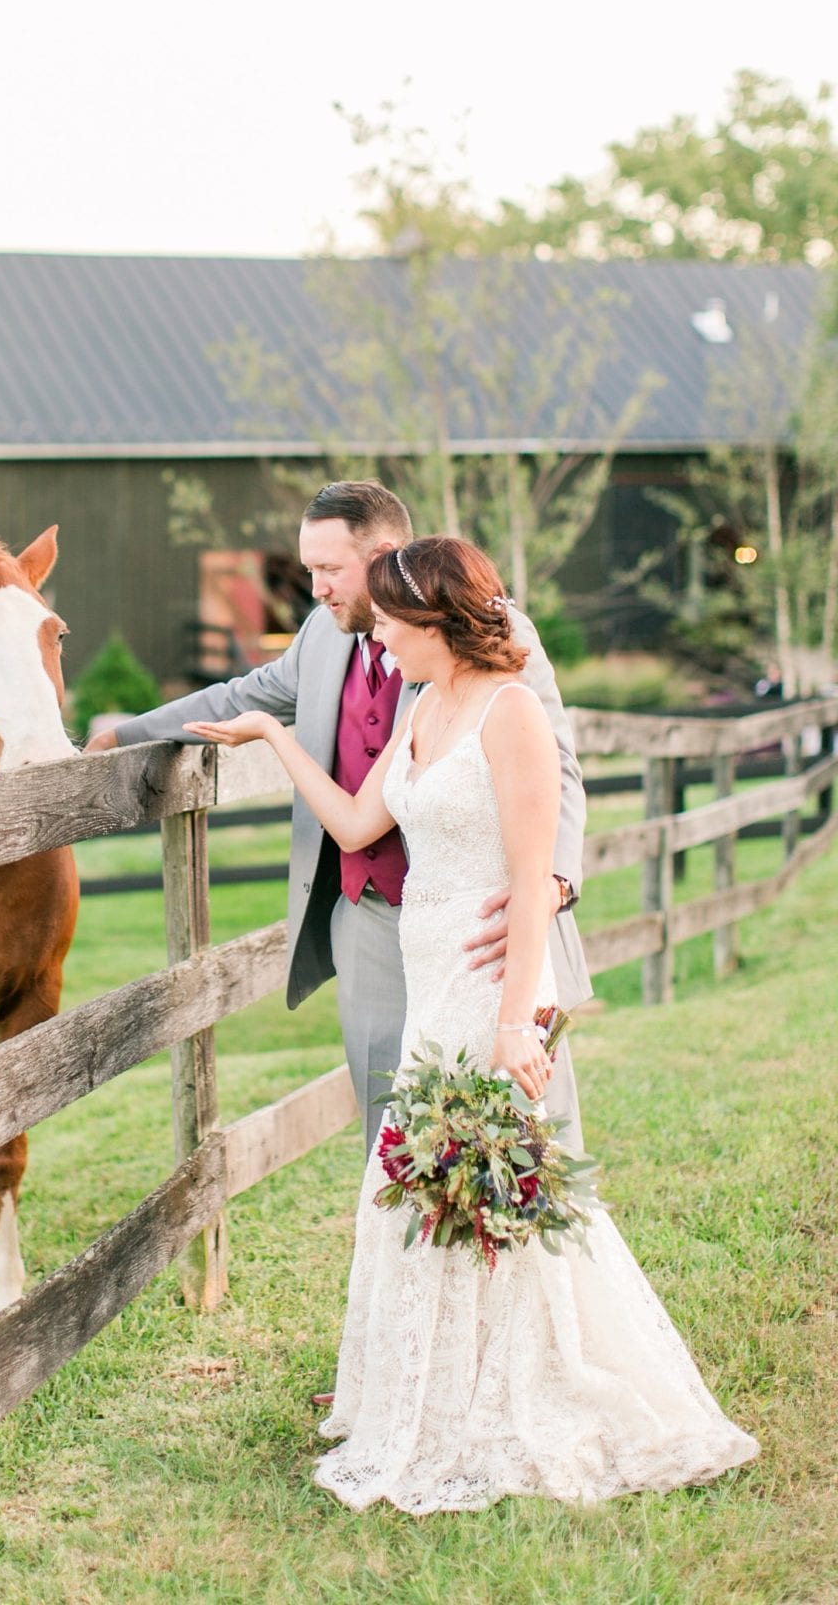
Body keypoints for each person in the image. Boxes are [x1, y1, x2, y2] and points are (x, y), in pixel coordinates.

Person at [187, 534, 758, 1514]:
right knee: (431, 1184)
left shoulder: (512, 711)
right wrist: (272, 738)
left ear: (438, 622)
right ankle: (438, 1385)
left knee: (493, 1181)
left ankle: (524, 1385)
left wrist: (515, 1024)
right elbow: (360, 827)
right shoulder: (420, 705)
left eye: (394, 626)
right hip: (427, 976)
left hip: (487, 985)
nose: (382, 643)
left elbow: (534, 879)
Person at [87, 481, 591, 1157]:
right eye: (310, 570)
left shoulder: (484, 630)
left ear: (383, 555)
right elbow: (246, 694)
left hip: (485, 925)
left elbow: (554, 765)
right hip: (373, 915)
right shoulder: (323, 637)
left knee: (521, 1134)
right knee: (391, 1130)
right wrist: (124, 735)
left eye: (328, 570)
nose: (315, 588)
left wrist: (551, 886)